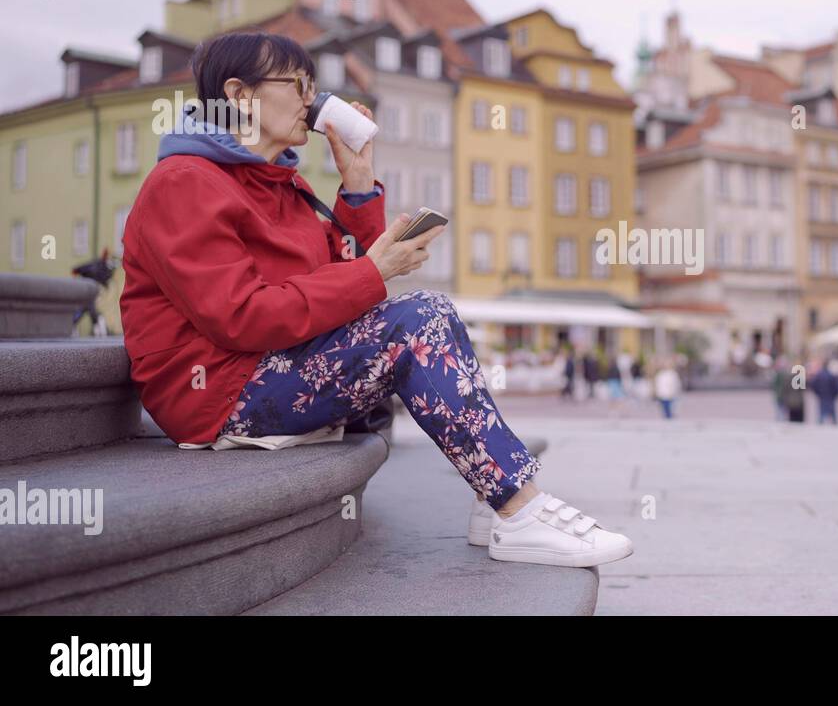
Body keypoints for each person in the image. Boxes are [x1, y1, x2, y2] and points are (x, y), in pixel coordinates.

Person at [118, 31, 630, 568]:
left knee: (429, 312)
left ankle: (494, 498)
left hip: (267, 367)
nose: (312, 102)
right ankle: (517, 506)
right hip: (216, 392)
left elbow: (338, 295)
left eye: (313, 86)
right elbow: (240, 316)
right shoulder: (183, 183)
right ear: (240, 95)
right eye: (296, 85)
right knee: (416, 320)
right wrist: (373, 271)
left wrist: (358, 184)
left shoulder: (278, 186)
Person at [810, 358, 838, 425]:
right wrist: (835, 395)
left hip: (822, 397)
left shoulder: (819, 375)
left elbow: (812, 385)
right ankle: (836, 426)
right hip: (830, 397)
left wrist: (817, 393)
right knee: (832, 414)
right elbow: (836, 388)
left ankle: (820, 426)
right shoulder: (831, 375)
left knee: (822, 414)